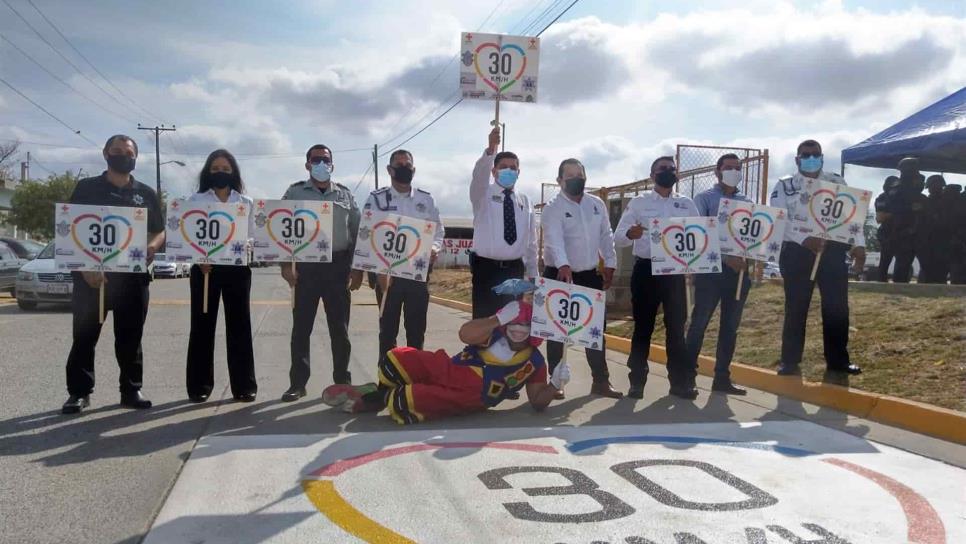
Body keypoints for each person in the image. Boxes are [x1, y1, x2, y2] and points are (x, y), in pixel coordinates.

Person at [320, 280, 567, 424]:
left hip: (471, 396)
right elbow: (465, 334)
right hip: (451, 368)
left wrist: (555, 384)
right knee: (400, 357)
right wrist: (497, 319)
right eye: (513, 323)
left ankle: (371, 399)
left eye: (524, 325)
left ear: (534, 329)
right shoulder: (495, 332)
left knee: (411, 398)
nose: (518, 330)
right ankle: (375, 392)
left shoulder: (535, 361)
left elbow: (537, 402)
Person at [62, 135, 165, 414]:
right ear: (105, 153)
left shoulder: (146, 194)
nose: (122, 155)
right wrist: (84, 268)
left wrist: (152, 247)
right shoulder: (86, 189)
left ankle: (131, 389)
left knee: (130, 338)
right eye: (116, 151)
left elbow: (159, 229)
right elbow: (70, 228)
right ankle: (79, 393)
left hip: (132, 279)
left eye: (128, 152)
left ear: (135, 157)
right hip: (92, 279)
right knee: (84, 336)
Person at [769, 139, 864, 377]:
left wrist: (858, 246)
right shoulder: (784, 185)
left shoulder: (836, 181)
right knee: (796, 306)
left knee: (837, 306)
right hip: (797, 252)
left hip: (832, 250)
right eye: (805, 154)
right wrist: (804, 240)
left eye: (815, 154)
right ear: (797, 158)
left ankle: (838, 361)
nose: (811, 158)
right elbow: (780, 219)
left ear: (822, 156)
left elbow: (851, 215)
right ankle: (789, 361)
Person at [280, 144, 363, 402]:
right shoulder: (294, 193)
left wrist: (358, 268)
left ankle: (342, 380)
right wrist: (285, 265)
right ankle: (298, 383)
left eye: (326, 159)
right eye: (316, 159)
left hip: (338, 268)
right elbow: (281, 230)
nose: (321, 163)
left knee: (340, 329)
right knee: (301, 328)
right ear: (307, 164)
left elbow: (358, 232)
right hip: (305, 268)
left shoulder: (345, 195)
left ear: (332, 165)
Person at [614, 156, 699, 400]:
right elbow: (619, 237)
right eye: (662, 169)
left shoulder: (686, 204)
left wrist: (693, 267)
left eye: (672, 169)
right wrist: (632, 232)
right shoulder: (638, 204)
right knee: (643, 328)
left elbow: (698, 238)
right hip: (646, 271)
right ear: (652, 175)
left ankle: (679, 383)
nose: (668, 172)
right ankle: (637, 382)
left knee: (676, 329)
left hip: (674, 274)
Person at [540, 158, 621, 399]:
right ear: (559, 181)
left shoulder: (596, 204)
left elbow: (606, 235)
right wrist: (564, 265)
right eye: (571, 175)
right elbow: (553, 240)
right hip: (559, 275)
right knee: (556, 332)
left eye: (580, 174)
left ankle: (600, 381)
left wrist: (611, 262)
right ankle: (556, 383)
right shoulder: (553, 208)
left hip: (589, 276)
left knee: (595, 332)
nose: (577, 179)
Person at [185, 149, 257, 403]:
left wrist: (243, 246)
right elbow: (188, 234)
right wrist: (199, 258)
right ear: (207, 172)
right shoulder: (195, 200)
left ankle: (244, 386)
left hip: (237, 269)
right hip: (205, 269)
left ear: (233, 172)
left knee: (239, 327)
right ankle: (199, 386)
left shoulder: (245, 203)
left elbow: (251, 236)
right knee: (202, 327)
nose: (220, 173)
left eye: (225, 169)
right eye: (215, 168)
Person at [363, 149, 444, 366]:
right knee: (387, 332)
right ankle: (386, 383)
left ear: (413, 169)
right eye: (399, 165)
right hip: (386, 276)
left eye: (407, 165)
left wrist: (434, 249)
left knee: (416, 330)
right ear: (390, 170)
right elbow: (368, 234)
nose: (403, 169)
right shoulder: (376, 199)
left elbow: (437, 231)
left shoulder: (425, 199)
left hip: (417, 273)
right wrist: (379, 271)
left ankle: (413, 381)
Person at [684, 154, 752, 395]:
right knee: (699, 324)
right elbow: (699, 235)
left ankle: (722, 377)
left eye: (737, 168)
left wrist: (751, 255)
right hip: (710, 273)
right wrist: (726, 258)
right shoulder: (704, 200)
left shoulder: (747, 202)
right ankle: (687, 376)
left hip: (739, 275)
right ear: (717, 171)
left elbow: (753, 237)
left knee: (730, 327)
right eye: (728, 168)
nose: (733, 171)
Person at [468, 126, 538, 319]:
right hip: (486, 270)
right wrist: (491, 150)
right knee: (484, 324)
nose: (509, 171)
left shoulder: (525, 201)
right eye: (503, 167)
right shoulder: (482, 194)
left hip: (515, 270)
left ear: (519, 172)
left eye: (513, 168)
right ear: (494, 170)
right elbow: (478, 177)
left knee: (512, 324)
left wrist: (533, 274)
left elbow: (531, 242)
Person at [889, 157, 926, 283]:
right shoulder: (898, 188)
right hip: (903, 230)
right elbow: (893, 207)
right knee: (903, 263)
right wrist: (911, 207)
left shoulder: (917, 185)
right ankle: (899, 286)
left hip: (920, 230)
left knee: (927, 263)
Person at [917, 174, 948, 284]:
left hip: (942, 240)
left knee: (940, 270)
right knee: (927, 269)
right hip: (927, 240)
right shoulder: (924, 201)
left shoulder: (947, 202)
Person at [874, 176, 900, 282]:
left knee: (902, 262)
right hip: (887, 233)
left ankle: (900, 283)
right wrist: (897, 214)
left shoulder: (902, 197)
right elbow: (880, 218)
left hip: (902, 233)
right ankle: (881, 282)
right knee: (885, 261)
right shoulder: (882, 198)